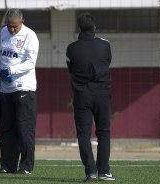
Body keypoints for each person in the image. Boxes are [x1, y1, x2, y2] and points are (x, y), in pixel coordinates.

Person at [66, 12, 115, 182]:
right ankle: (104, 171)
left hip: (82, 96)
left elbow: (70, 69)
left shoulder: (71, 48)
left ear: (79, 28)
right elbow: (107, 62)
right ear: (94, 27)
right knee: (104, 132)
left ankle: (90, 171)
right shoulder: (105, 45)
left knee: (83, 134)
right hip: (102, 94)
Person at [0, 8, 39, 174]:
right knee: (6, 130)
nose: (12, 30)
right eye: (9, 26)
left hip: (23, 88)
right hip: (5, 89)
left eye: (15, 27)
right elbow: (1, 58)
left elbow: (30, 63)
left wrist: (11, 71)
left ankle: (26, 166)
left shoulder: (30, 36)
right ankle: (7, 165)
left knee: (24, 129)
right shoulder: (4, 32)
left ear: (22, 22)